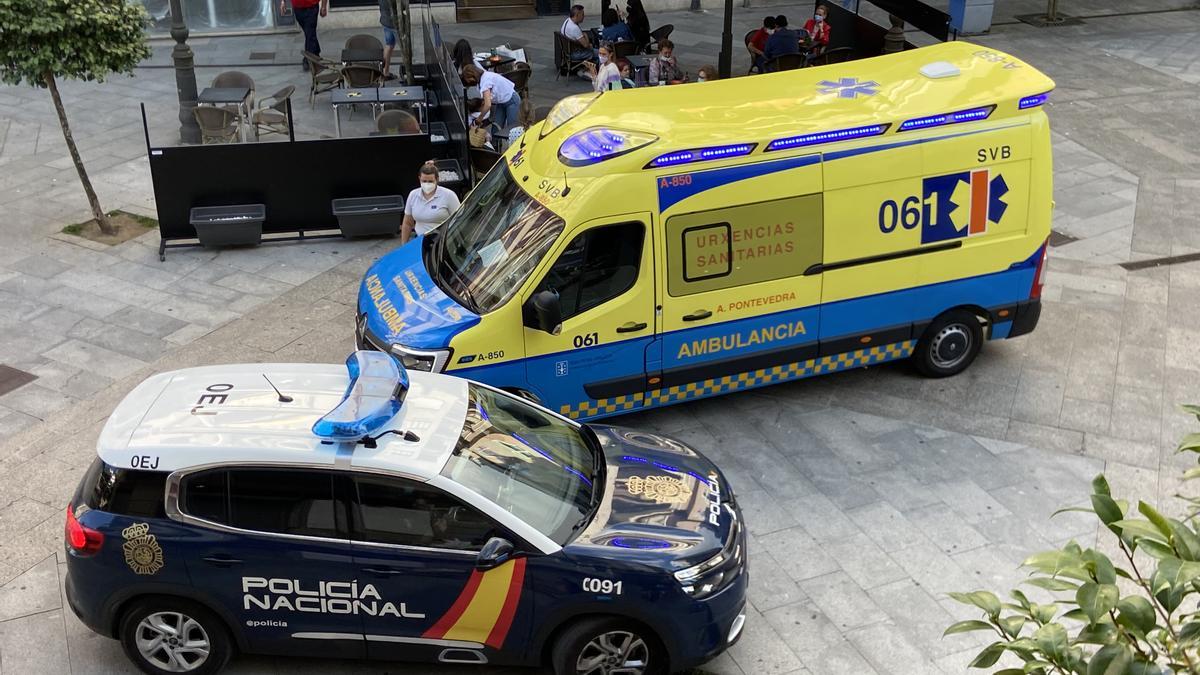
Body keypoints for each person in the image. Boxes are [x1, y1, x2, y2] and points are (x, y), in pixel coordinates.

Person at [402, 161, 461, 243]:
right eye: (424, 181)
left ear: (437, 179)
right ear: (419, 179)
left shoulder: (449, 195)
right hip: (420, 240)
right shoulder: (413, 195)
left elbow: (459, 220)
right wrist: (404, 246)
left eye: (430, 181)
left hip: (443, 241)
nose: (427, 184)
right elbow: (407, 223)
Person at [462, 65, 521, 132]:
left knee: (512, 130)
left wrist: (479, 118)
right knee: (496, 128)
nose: (468, 82)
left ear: (472, 76)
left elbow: (488, 105)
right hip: (501, 101)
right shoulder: (484, 77)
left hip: (511, 100)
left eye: (468, 79)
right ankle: (494, 141)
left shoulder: (485, 82)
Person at [287, 0, 328, 70]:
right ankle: (316, 51)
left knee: (309, 33)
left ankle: (308, 59)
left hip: (311, 8)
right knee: (309, 33)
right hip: (297, 8)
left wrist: (323, 7)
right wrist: (282, 2)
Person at [379, 0, 399, 79]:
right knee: (405, 49)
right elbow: (401, 7)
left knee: (389, 45)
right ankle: (409, 73)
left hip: (385, 21)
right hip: (394, 23)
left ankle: (385, 72)